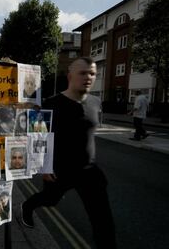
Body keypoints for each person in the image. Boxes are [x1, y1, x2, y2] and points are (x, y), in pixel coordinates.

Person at [21, 57, 116, 249]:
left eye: (92, 73)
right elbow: (36, 137)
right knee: (49, 200)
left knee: (103, 223)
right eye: (83, 73)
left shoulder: (96, 102)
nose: (88, 77)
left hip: (89, 171)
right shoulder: (50, 103)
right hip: (60, 169)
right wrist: (44, 168)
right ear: (70, 75)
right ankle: (27, 206)